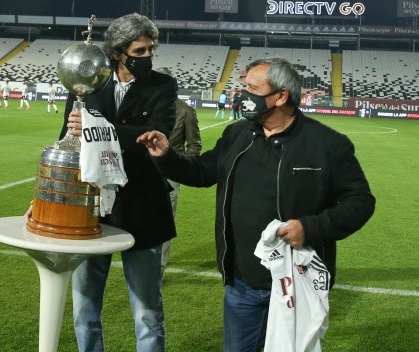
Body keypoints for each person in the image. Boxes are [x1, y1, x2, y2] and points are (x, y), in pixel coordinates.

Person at [137, 57, 376, 352]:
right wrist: (165, 156)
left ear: (281, 96)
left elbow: (361, 202)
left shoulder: (327, 144)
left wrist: (312, 227)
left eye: (252, 89)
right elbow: (202, 172)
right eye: (243, 87)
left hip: (295, 283)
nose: (243, 95)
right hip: (242, 283)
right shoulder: (236, 135)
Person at [26, 13, 178, 352]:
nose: (148, 57)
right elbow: (68, 141)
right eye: (140, 51)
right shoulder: (87, 82)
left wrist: (100, 129)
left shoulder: (163, 86)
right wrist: (42, 198)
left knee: (147, 313)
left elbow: (154, 137)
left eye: (151, 49)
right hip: (88, 209)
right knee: (84, 307)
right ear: (118, 52)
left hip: (143, 209)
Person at [155, 66, 202, 275]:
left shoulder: (185, 111)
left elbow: (194, 146)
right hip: (142, 173)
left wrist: (179, 167)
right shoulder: (143, 107)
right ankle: (143, 262)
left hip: (170, 177)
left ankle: (158, 268)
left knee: (164, 221)